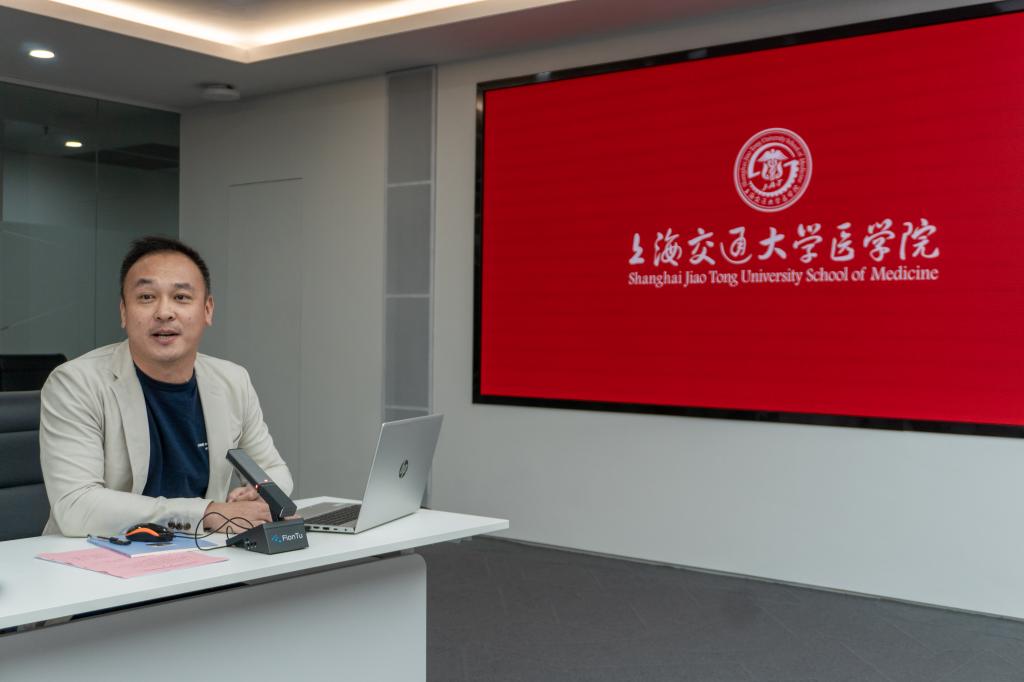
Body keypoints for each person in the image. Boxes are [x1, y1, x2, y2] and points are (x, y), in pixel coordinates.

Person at [39, 236, 293, 537]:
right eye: (147, 297)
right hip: (98, 555)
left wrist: (260, 494)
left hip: (204, 554)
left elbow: (274, 471)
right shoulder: (75, 383)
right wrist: (208, 513)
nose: (164, 312)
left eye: (181, 297)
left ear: (207, 310)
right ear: (124, 312)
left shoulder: (232, 381)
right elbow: (76, 506)